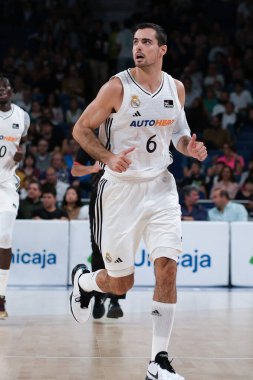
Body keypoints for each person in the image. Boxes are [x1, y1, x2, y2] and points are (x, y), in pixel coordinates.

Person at [69, 23, 207, 380]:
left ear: (163, 49)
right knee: (121, 285)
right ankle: (85, 282)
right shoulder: (116, 87)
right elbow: (81, 129)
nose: (138, 48)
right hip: (120, 191)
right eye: (135, 42)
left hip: (161, 187)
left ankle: (157, 361)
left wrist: (187, 147)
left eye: (146, 42)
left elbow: (177, 131)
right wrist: (108, 157)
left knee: (167, 267)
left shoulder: (175, 87)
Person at [71, 148, 126, 319]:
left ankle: (115, 300)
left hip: (125, 195)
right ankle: (99, 296)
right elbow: (74, 170)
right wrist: (92, 169)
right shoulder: (91, 140)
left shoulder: (127, 134)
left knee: (121, 247)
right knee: (98, 246)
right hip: (100, 196)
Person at [0, 74, 30, 318]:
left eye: (5, 86)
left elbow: (25, 142)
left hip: (7, 183)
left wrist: (22, 154)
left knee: (5, 235)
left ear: (11, 90)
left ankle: (0, 297)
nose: (2, 90)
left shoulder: (22, 116)